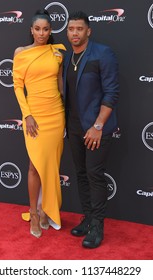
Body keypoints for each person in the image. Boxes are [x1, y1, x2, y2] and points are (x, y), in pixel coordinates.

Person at [63, 11, 119, 248]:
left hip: (96, 128)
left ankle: (97, 226)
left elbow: (111, 92)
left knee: (95, 176)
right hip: (74, 128)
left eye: (79, 29)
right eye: (71, 29)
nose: (74, 33)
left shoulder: (102, 53)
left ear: (88, 31)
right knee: (81, 174)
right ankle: (87, 219)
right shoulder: (67, 57)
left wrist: (98, 126)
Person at [13, 10, 66, 238]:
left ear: (50, 30)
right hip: (34, 115)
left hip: (56, 114)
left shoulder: (58, 52)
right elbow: (17, 87)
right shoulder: (21, 53)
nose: (42, 33)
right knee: (35, 165)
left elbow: (61, 85)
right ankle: (34, 213)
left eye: (46, 29)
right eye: (38, 29)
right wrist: (27, 115)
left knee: (52, 165)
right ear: (31, 30)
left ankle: (47, 210)